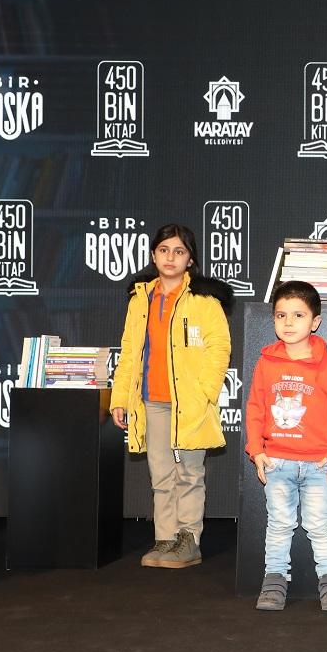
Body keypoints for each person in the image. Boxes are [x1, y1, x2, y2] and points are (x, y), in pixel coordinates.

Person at [110, 223, 233, 569]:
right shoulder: (141, 298)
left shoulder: (204, 300)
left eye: (179, 251)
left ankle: (188, 539)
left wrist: (204, 392)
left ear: (190, 259)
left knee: (189, 472)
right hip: (151, 400)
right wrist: (120, 398)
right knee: (161, 473)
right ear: (153, 255)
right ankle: (165, 538)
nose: (170, 257)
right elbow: (130, 352)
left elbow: (219, 347)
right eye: (164, 250)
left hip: (189, 404)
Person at [244, 281, 327, 611]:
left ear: (315, 322)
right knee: (279, 524)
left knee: (320, 525)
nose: (288, 322)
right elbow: (255, 409)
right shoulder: (266, 363)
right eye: (281, 315)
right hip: (277, 462)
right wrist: (257, 450)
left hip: (319, 464)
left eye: (298, 315)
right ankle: (274, 580)